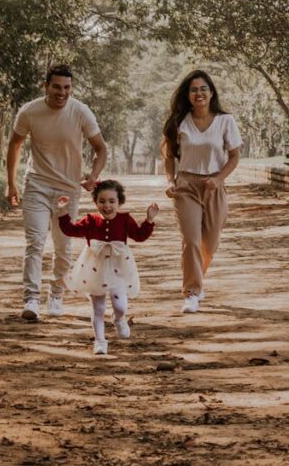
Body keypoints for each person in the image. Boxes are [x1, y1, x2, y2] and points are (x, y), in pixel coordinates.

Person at [6, 64, 107, 322]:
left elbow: (101, 148)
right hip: (36, 185)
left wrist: (93, 176)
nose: (62, 93)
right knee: (35, 241)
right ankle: (31, 299)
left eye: (67, 88)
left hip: (68, 189)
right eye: (56, 87)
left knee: (63, 247)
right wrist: (11, 183)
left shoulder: (81, 111)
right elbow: (15, 144)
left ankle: (56, 295)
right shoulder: (30, 111)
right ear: (46, 87)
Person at [161, 70, 242, 314]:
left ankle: (198, 280)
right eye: (194, 90)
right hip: (186, 186)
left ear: (211, 92)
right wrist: (170, 181)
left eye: (203, 89)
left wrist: (218, 179)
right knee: (191, 241)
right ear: (187, 95)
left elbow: (234, 156)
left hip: (214, 185)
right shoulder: (179, 122)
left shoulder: (225, 121)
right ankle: (192, 292)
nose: (199, 93)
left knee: (210, 243)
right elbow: (168, 156)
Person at [56, 180, 158, 355]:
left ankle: (118, 319)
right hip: (95, 269)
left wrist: (149, 219)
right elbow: (71, 230)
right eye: (102, 201)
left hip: (119, 268)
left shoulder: (125, 219)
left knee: (120, 306)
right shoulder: (90, 220)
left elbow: (139, 236)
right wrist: (63, 211)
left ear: (119, 202)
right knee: (99, 308)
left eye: (112, 201)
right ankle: (100, 341)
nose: (107, 205)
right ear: (96, 202)